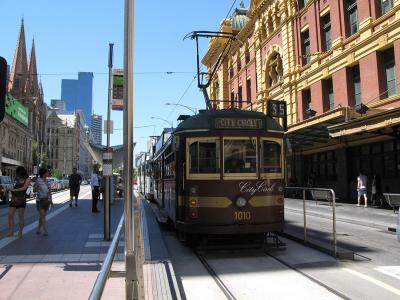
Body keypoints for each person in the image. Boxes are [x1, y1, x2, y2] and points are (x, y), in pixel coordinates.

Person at [7, 166, 31, 238]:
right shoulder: (17, 178)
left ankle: (20, 232)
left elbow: (24, 187)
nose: (17, 174)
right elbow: (15, 187)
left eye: (17, 173)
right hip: (14, 199)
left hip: (21, 200)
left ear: (21, 172)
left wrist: (13, 190)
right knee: (10, 215)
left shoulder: (28, 179)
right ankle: (11, 231)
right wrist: (9, 189)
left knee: (21, 216)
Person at [35, 167, 53, 236]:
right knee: (43, 216)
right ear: (43, 174)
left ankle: (38, 229)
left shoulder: (48, 181)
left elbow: (50, 191)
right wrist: (37, 188)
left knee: (42, 216)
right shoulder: (38, 180)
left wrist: (51, 200)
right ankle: (45, 230)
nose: (48, 173)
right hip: (39, 200)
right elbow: (34, 189)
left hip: (46, 201)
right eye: (47, 172)